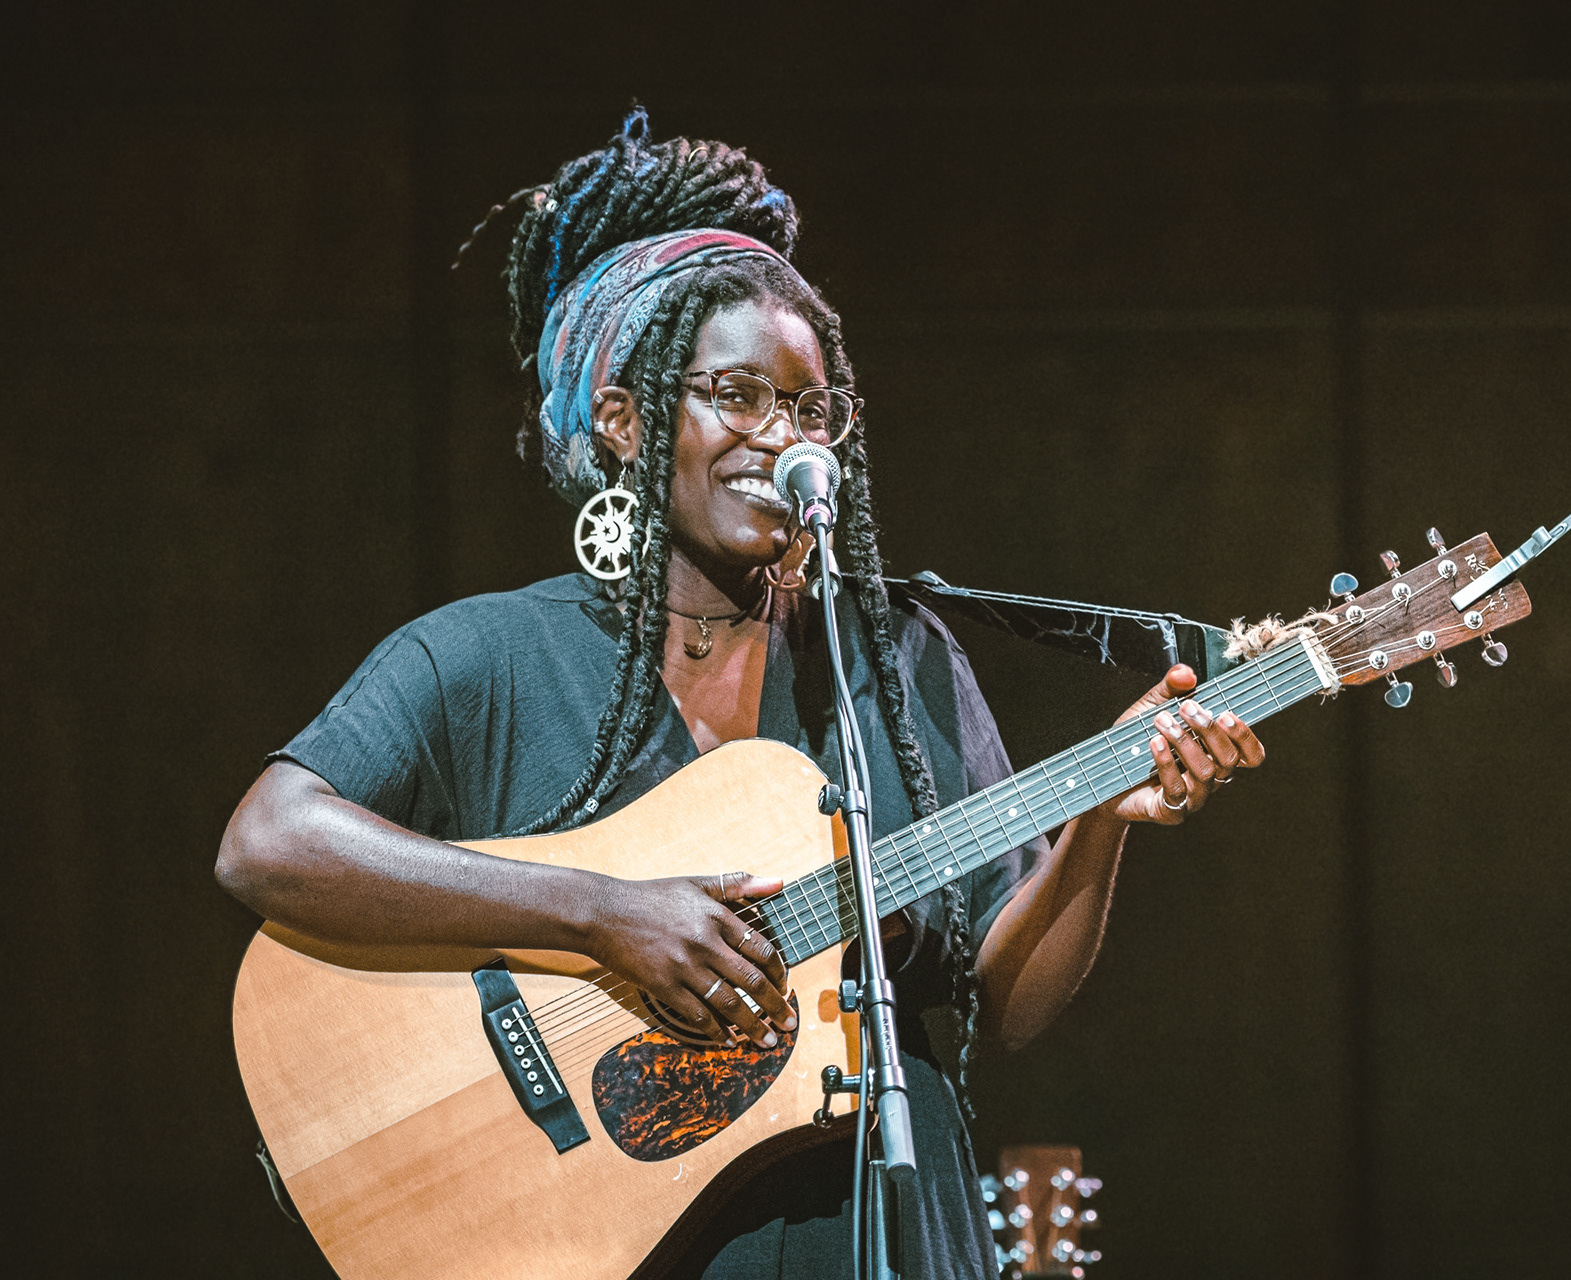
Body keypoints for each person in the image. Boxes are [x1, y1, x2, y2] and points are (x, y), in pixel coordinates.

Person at [215, 109, 1266, 1280]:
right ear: (625, 421)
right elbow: (268, 840)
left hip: (881, 1232)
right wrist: (601, 914)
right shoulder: (489, 656)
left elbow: (1006, 1002)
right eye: (738, 394)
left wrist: (1101, 817)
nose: (783, 436)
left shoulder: (898, 661)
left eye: (812, 410)